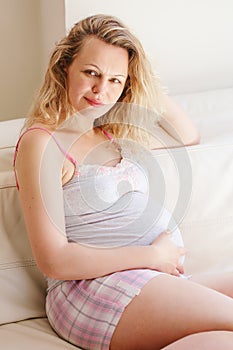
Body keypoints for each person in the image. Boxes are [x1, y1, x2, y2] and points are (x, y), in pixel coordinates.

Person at [14, 14, 233, 350]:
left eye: (116, 80)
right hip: (92, 289)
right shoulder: (42, 142)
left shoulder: (112, 133)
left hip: (152, 278)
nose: (102, 91)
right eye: (92, 73)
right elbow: (54, 260)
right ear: (64, 68)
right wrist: (151, 256)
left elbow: (187, 136)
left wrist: (140, 80)